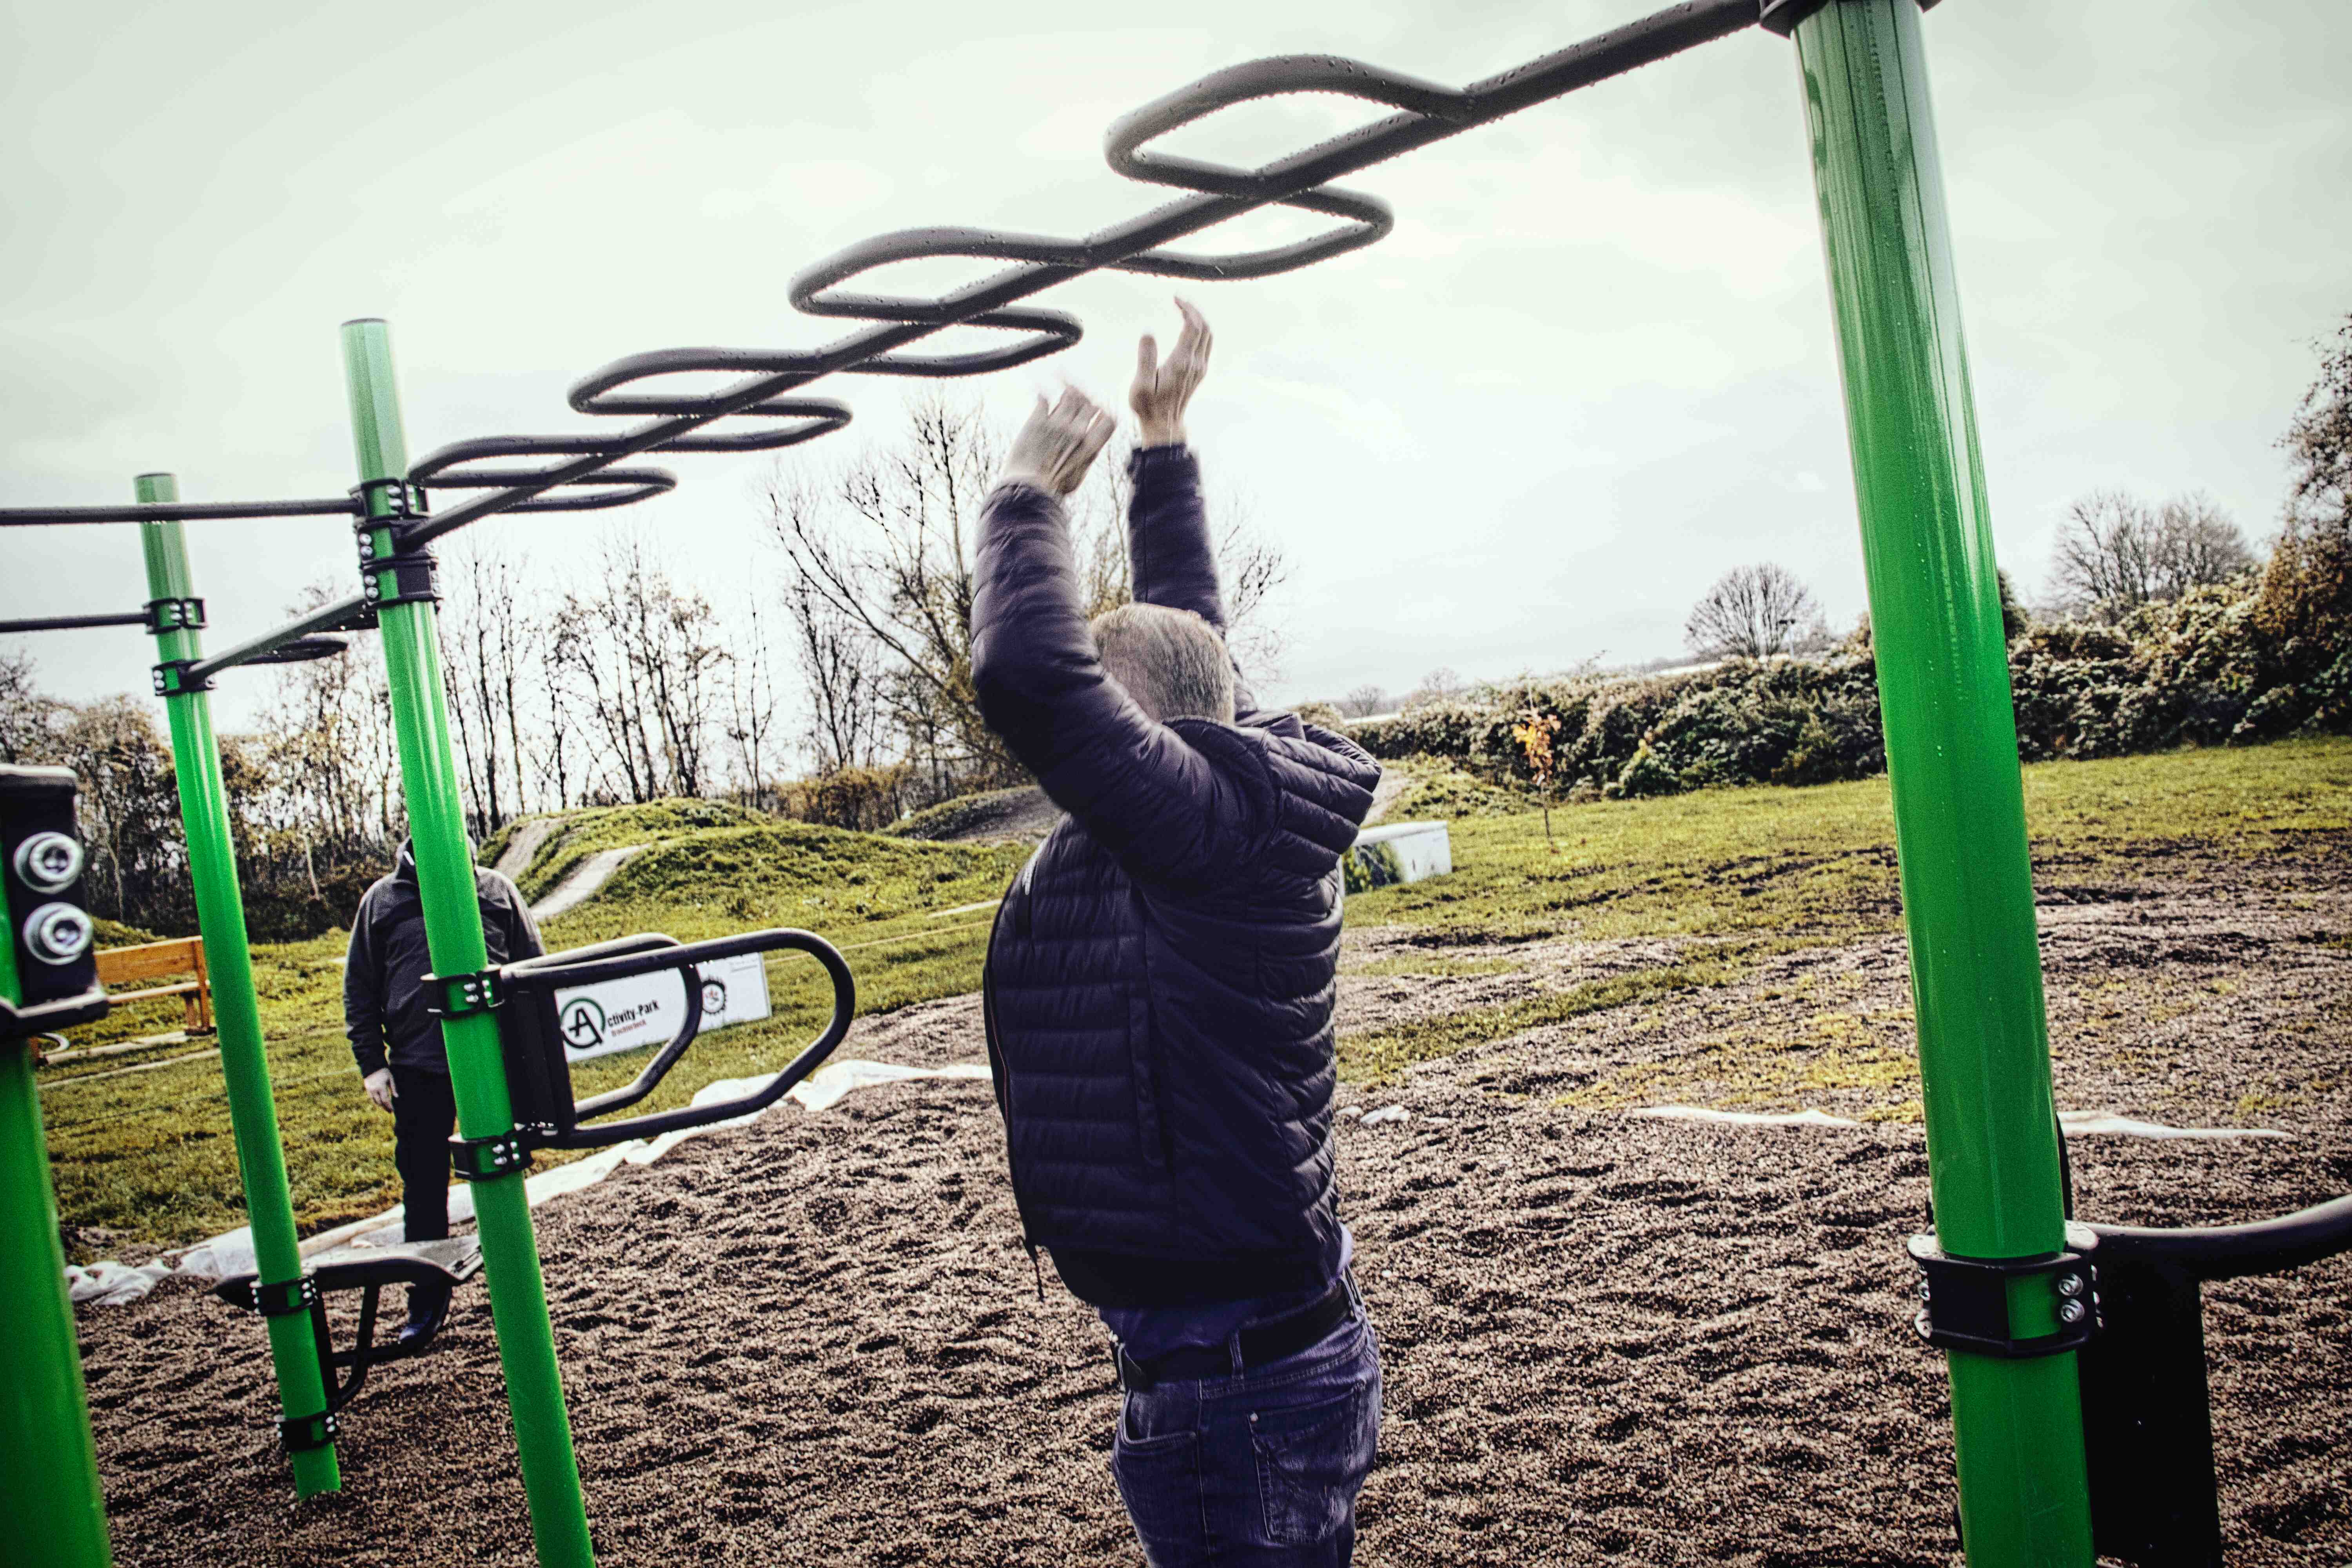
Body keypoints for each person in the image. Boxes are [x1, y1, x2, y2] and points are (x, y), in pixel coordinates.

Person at [973, 300, 1385, 1567]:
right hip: (1244, 1348)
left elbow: (1033, 680)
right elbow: (1187, 638)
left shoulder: (1202, 828)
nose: (1089, 741)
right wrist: (1161, 448)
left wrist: (1024, 496)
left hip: (1237, 1384)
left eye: (1116, 713)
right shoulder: (1229, 798)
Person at [345, 837, 542, 1347]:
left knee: (502, 1172)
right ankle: (426, 1303)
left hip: (490, 1062)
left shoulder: (495, 891)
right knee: (424, 1186)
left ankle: (514, 1293)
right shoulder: (384, 901)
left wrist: (531, 1057)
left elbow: (533, 968)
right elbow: (361, 987)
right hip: (418, 1064)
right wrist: (373, 1065)